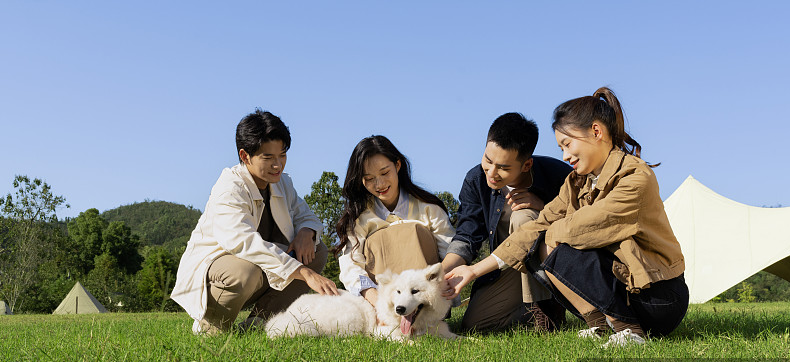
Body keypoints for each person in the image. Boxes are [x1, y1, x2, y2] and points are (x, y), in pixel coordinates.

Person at [446, 88, 689, 347]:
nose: (565, 156)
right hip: (621, 286)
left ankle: (630, 331)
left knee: (549, 242)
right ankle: (600, 325)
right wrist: (472, 271)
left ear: (596, 132)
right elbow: (538, 225)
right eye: (561, 147)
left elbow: (583, 226)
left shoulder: (635, 177)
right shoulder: (575, 183)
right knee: (542, 240)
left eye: (567, 144)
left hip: (658, 299)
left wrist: (544, 232)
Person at [172, 110, 338, 334]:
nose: (278, 165)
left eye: (283, 155)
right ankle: (210, 326)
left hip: (261, 268)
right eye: (268, 158)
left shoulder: (283, 184)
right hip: (223, 269)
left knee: (316, 251)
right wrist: (303, 273)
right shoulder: (229, 188)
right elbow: (243, 242)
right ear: (245, 155)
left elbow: (306, 215)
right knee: (245, 271)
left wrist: (306, 232)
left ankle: (258, 324)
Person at [441, 113, 572, 332]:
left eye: (503, 167)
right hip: (505, 265)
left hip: (550, 263)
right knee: (474, 325)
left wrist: (545, 208)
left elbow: (585, 219)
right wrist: (440, 272)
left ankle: (542, 307)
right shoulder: (475, 180)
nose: (492, 173)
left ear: (526, 164)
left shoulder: (557, 176)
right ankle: (540, 314)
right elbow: (467, 235)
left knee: (524, 218)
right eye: (488, 160)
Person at [335, 135, 455, 309]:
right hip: (381, 303)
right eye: (369, 178)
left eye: (385, 173)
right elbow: (351, 265)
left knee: (413, 230)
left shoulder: (429, 208)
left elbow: (450, 255)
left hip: (425, 302)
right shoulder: (359, 218)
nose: (380, 183)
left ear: (397, 165)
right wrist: (377, 301)